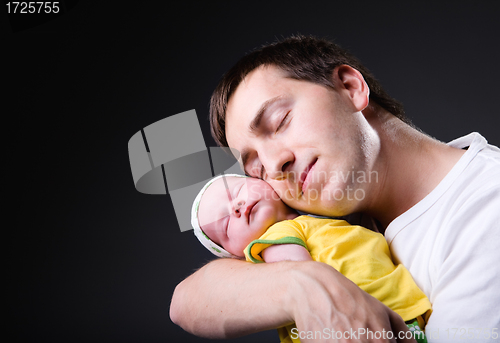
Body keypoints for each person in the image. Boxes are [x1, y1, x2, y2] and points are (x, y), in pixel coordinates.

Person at [170, 35, 500, 342]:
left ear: (351, 87)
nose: (275, 165)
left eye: (281, 121)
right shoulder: (337, 226)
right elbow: (185, 302)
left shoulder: (486, 212)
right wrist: (301, 285)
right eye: (256, 169)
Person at [191, 174, 431, 343]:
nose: (236, 208)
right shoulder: (276, 237)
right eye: (225, 225)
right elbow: (301, 273)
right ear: (235, 254)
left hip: (399, 316)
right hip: (365, 328)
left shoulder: (313, 221)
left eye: (236, 191)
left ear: (259, 181)